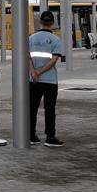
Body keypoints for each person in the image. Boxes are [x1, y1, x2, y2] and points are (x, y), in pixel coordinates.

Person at [28, 10, 64, 147]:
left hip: (33, 80)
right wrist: (40, 71)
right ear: (52, 23)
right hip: (49, 80)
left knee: (32, 108)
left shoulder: (31, 38)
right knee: (50, 109)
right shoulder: (56, 40)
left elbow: (28, 58)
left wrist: (34, 72)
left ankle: (31, 135)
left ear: (40, 22)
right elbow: (54, 60)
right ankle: (50, 137)